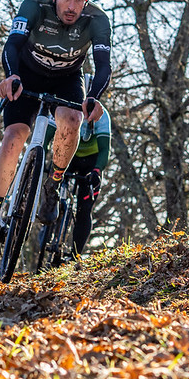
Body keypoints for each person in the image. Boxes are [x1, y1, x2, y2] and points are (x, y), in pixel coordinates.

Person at [0, 0, 112, 253]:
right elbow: (12, 44)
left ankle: (53, 184)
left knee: (72, 120)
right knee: (13, 138)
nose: (71, 6)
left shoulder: (98, 19)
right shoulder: (34, 4)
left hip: (67, 78)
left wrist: (94, 97)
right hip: (27, 73)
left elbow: (103, 66)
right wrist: (11, 75)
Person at [42, 74, 111, 258]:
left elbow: (105, 150)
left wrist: (97, 171)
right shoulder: (64, 108)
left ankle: (75, 255)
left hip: (91, 161)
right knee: (52, 180)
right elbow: (46, 139)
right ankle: (51, 209)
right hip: (68, 156)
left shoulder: (102, 116)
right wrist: (41, 159)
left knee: (84, 209)